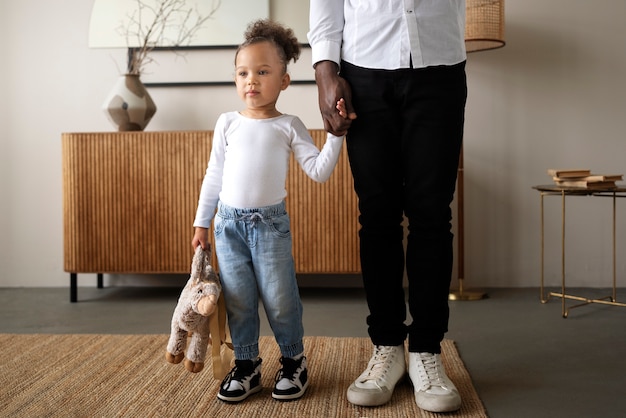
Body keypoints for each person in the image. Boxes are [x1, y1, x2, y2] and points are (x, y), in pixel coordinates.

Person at [308, 0, 468, 413]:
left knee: (432, 214)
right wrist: (326, 70)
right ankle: (387, 347)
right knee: (377, 215)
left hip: (439, 64)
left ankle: (427, 351)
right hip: (363, 65)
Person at [192, 19, 347, 403]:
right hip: (227, 227)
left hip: (270, 227)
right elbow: (214, 175)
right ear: (235, 79)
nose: (252, 81)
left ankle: (294, 361)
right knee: (240, 299)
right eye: (243, 73)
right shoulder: (226, 124)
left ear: (284, 81)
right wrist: (201, 221)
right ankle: (246, 366)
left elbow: (319, 171)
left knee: (279, 298)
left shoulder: (289, 126)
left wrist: (338, 135)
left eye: (263, 72)